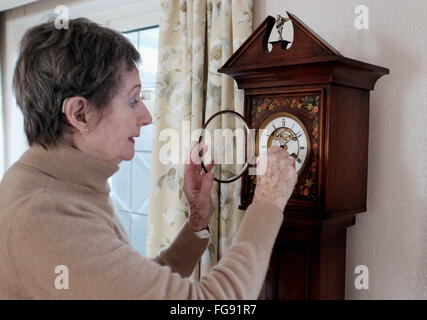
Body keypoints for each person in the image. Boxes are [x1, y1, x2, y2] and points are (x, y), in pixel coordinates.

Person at [0, 18, 297, 299]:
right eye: (133, 100)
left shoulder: (63, 184)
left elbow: (128, 288)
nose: (146, 116)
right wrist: (268, 203)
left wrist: (196, 223)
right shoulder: (44, 216)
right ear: (80, 114)